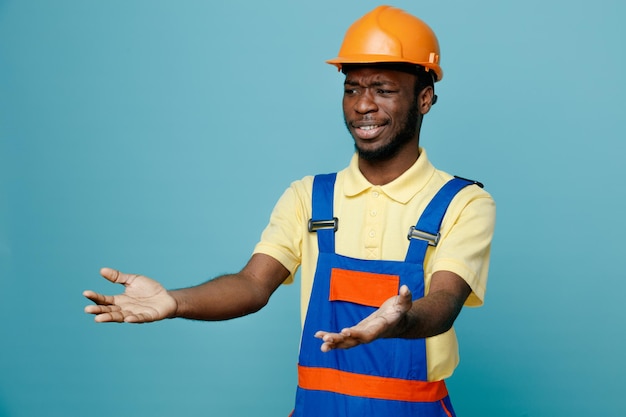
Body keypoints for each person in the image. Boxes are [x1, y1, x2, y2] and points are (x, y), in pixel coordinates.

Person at [84, 5, 496, 417]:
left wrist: (400, 321)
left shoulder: (462, 203)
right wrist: (174, 301)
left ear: (424, 99)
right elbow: (251, 284)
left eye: (383, 90)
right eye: (352, 89)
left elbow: (444, 299)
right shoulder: (309, 198)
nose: (362, 105)